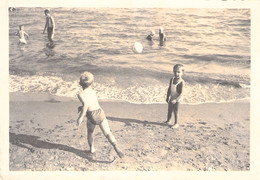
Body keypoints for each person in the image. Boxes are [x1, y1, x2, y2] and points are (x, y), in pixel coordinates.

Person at [76, 72, 124, 158]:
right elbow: (91, 102)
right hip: (100, 112)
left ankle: (92, 149)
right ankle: (116, 146)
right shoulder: (93, 91)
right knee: (108, 133)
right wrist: (82, 107)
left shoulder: (80, 94)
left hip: (91, 115)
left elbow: (86, 105)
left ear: (80, 83)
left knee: (90, 132)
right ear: (92, 83)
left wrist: (80, 117)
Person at [165, 64, 185, 128]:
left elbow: (182, 93)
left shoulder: (181, 82)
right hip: (172, 97)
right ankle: (168, 120)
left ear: (182, 73)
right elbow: (169, 88)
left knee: (176, 111)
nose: (176, 73)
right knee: (169, 109)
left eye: (178, 72)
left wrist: (176, 100)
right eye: (175, 72)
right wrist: (167, 96)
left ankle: (176, 123)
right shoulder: (172, 79)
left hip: (178, 98)